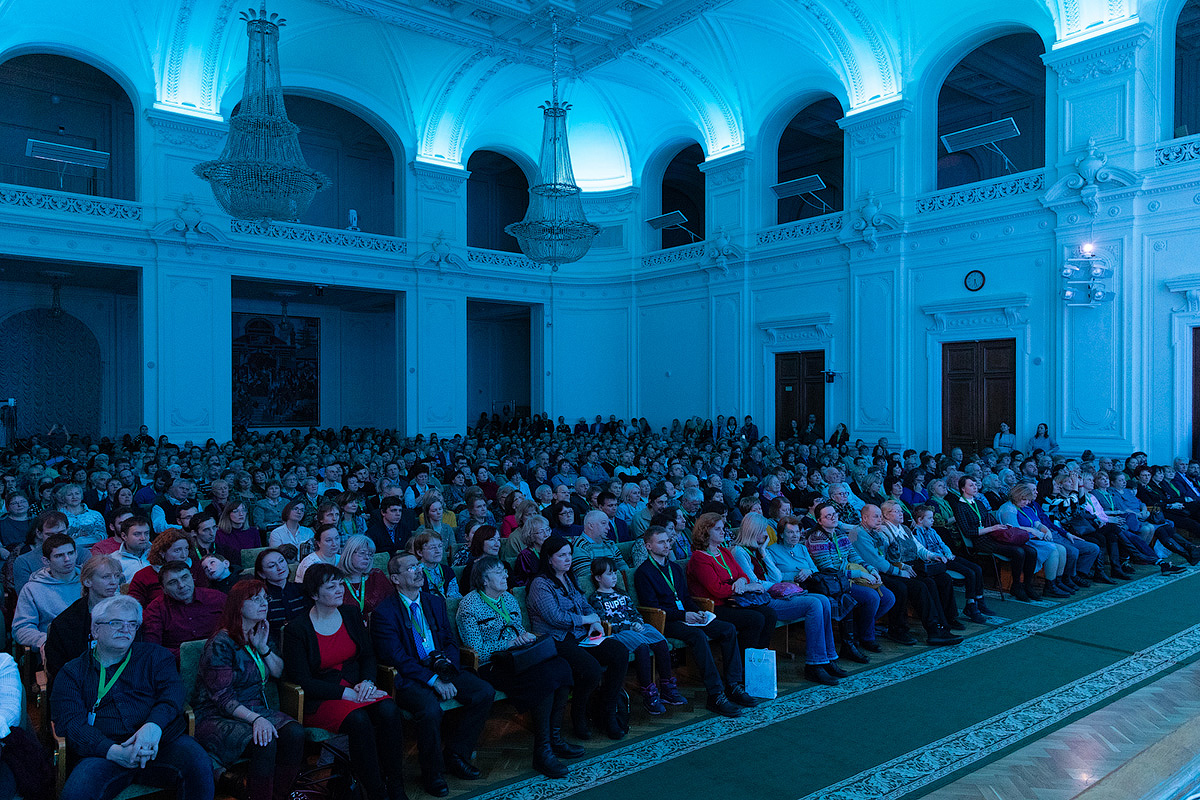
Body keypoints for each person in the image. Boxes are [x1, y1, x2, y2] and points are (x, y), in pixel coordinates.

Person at [50, 595, 215, 800]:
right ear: (95, 630)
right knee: (76, 793)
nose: (125, 629)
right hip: (103, 752)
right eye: (116, 623)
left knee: (198, 763)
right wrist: (112, 751)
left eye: (132, 624)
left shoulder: (156, 656)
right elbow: (71, 723)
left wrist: (153, 726)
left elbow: (172, 694)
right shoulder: (72, 672)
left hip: (160, 743)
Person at [371, 552, 494, 797]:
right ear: (395, 578)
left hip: (441, 666)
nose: (419, 571)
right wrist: (433, 680)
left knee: (483, 692)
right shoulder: (385, 612)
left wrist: (446, 667)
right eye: (411, 568)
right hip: (411, 676)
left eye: (419, 566)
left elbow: (449, 640)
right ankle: (432, 772)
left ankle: (456, 754)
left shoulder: (434, 601)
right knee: (430, 710)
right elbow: (397, 658)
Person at [282, 564, 407, 800]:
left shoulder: (350, 614)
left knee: (389, 710)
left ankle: (396, 785)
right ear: (314, 594)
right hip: (322, 697)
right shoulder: (297, 629)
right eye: (332, 586)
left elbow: (368, 655)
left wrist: (368, 681)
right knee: (358, 720)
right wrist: (344, 693)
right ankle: (375, 791)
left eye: (341, 584)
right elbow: (302, 680)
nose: (340, 590)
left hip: (358, 688)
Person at [455, 555, 580, 778]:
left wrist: (525, 638)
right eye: (499, 573)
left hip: (520, 656)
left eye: (505, 571)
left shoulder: (509, 599)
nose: (505, 575)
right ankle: (542, 751)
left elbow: (519, 630)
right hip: (491, 664)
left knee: (561, 666)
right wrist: (508, 643)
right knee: (543, 678)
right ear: (484, 580)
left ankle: (554, 738)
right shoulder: (469, 605)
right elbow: (475, 650)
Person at [193, 582, 303, 800]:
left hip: (253, 708)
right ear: (238, 605)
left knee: (295, 733)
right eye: (255, 599)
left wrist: (263, 648)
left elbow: (280, 673)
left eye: (265, 598)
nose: (263, 603)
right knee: (266, 740)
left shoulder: (259, 631)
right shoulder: (222, 642)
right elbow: (222, 698)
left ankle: (279, 795)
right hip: (216, 715)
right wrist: (256, 719)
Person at [527, 535, 632, 741]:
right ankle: (579, 715)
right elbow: (555, 618)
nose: (568, 559)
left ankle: (608, 712)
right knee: (591, 669)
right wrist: (586, 619)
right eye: (562, 555)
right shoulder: (540, 584)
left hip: (578, 636)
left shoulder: (568, 577)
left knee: (619, 652)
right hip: (555, 640)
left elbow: (584, 603)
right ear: (549, 559)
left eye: (569, 554)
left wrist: (594, 622)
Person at [731, 512, 843, 684]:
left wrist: (763, 551)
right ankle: (814, 664)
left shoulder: (758, 550)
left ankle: (827, 658)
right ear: (752, 530)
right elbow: (755, 583)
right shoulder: (740, 552)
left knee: (824, 600)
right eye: (762, 530)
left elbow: (775, 577)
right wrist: (773, 581)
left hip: (773, 594)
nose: (766, 535)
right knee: (814, 603)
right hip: (763, 600)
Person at [852, 504, 961, 646]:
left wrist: (902, 564)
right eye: (876, 516)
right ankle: (899, 629)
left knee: (928, 582)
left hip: (886, 569)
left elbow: (891, 555)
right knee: (905, 587)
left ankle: (940, 627)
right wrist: (900, 570)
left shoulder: (876, 532)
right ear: (864, 517)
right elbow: (877, 562)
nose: (879, 519)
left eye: (880, 516)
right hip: (871, 573)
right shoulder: (859, 533)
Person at [588, 556, 682, 714]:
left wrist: (637, 622)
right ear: (598, 577)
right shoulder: (596, 599)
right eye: (609, 574)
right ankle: (648, 693)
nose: (614, 577)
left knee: (660, 640)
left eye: (615, 573)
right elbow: (604, 622)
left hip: (634, 627)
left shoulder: (622, 594)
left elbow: (634, 612)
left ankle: (667, 687)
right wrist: (630, 626)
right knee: (642, 645)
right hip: (618, 632)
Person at [686, 512, 780, 662]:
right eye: (717, 529)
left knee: (769, 614)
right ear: (705, 532)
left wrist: (742, 582)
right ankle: (744, 665)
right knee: (755, 619)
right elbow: (717, 590)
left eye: (723, 527)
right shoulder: (699, 558)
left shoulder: (724, 551)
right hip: (714, 606)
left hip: (734, 600)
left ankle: (759, 660)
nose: (723, 531)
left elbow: (743, 575)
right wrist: (747, 587)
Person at [806, 502, 899, 648]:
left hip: (851, 576)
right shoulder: (817, 538)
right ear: (819, 520)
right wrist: (861, 573)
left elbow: (854, 556)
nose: (833, 518)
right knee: (872, 596)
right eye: (828, 516)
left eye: (834, 514)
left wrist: (870, 570)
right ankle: (867, 637)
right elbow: (829, 570)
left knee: (888, 597)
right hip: (834, 582)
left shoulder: (840, 533)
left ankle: (858, 629)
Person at [954, 476, 1044, 601]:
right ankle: (1016, 586)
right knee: (1018, 551)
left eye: (975, 484)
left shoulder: (978, 503)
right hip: (980, 540)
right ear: (963, 488)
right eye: (971, 485)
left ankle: (1028, 586)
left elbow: (989, 521)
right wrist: (992, 529)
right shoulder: (959, 506)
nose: (975, 487)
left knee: (1031, 551)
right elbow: (968, 532)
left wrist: (1002, 526)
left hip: (992, 535)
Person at [45, 554, 123, 688]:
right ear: (87, 582)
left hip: (121, 684)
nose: (113, 582)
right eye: (106, 577)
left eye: (116, 576)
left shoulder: (127, 614)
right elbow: (58, 667)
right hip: (79, 686)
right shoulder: (66, 622)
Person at [908, 505, 990, 623]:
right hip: (937, 561)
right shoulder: (915, 533)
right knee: (969, 573)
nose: (933, 520)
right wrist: (942, 557)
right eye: (930, 518)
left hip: (946, 556)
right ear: (920, 520)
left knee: (977, 568)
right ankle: (970, 604)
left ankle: (979, 599)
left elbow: (942, 544)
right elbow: (923, 551)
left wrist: (948, 553)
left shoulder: (932, 530)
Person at [997, 485, 1071, 597]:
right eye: (1024, 499)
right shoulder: (1008, 509)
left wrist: (1046, 531)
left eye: (1028, 500)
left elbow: (1038, 524)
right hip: (1019, 540)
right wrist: (1032, 530)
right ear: (1017, 496)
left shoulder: (1026, 508)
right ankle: (1049, 586)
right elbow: (1012, 528)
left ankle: (1056, 582)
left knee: (1062, 549)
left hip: (1032, 538)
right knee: (1053, 550)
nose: (1026, 502)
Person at [142, 561, 226, 659]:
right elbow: (152, 647)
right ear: (163, 589)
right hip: (178, 662)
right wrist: (190, 654)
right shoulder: (156, 609)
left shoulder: (217, 598)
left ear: (192, 578)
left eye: (185, 577)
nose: (181, 585)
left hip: (221, 656)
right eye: (173, 582)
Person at [13, 532, 81, 648]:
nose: (67, 559)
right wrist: (46, 641)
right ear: (46, 561)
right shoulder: (32, 589)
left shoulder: (90, 582)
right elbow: (21, 628)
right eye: (59, 556)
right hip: (53, 647)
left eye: (70, 553)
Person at [128, 529, 201, 607]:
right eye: (177, 550)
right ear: (162, 553)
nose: (184, 555)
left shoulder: (196, 567)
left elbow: (204, 596)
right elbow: (133, 606)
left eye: (186, 548)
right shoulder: (143, 575)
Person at [254, 549, 307, 645]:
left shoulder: (302, 589)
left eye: (281, 561)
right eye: (272, 566)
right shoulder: (259, 598)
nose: (280, 567)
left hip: (305, 641)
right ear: (262, 574)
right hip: (273, 645)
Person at [339, 534, 391, 617]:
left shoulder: (376, 576)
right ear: (349, 554)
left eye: (370, 554)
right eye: (362, 553)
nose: (367, 557)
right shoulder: (337, 580)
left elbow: (392, 604)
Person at [410, 530, 460, 598]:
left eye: (440, 546)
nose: (438, 551)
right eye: (432, 547)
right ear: (420, 552)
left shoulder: (448, 570)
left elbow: (454, 596)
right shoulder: (415, 573)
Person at [458, 525, 503, 595]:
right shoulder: (470, 569)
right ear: (480, 541)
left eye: (498, 540)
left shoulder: (505, 566)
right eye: (492, 540)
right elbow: (467, 595)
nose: (497, 544)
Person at [114, 514, 153, 583]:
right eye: (137, 534)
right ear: (124, 536)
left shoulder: (159, 555)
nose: (143, 538)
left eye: (146, 533)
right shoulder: (114, 560)